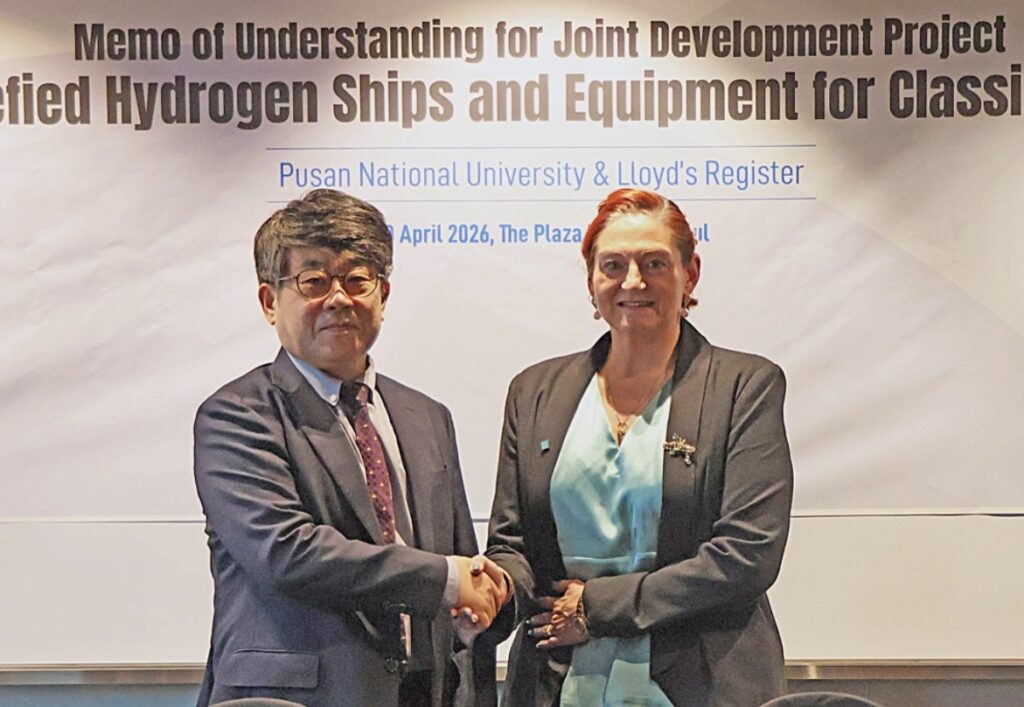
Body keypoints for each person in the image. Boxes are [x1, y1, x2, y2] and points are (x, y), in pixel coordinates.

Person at [193, 189, 507, 707]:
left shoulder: (427, 416)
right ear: (270, 301)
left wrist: (473, 606)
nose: (339, 299)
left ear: (383, 294)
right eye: (314, 281)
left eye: (357, 280)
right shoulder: (237, 415)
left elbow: (457, 556)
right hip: (299, 698)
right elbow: (287, 552)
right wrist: (446, 580)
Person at [485, 188, 794, 706]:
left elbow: (748, 553)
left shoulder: (744, 386)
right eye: (613, 265)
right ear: (591, 280)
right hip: (555, 682)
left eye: (654, 263)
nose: (633, 281)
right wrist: (488, 590)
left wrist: (597, 607)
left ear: (690, 274)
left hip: (700, 680)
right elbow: (512, 545)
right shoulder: (534, 392)